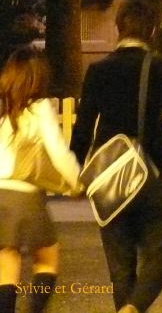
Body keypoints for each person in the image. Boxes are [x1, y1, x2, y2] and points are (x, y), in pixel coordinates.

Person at [70, 0, 162, 313]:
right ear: (150, 30)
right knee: (158, 253)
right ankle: (133, 308)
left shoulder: (98, 70)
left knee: (120, 265)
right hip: (148, 170)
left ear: (118, 28)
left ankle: (125, 305)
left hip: (109, 173)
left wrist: (77, 172)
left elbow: (82, 128)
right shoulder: (159, 65)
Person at [0, 48, 80, 313]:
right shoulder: (39, 107)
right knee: (47, 258)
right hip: (24, 194)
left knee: (6, 263)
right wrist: (76, 182)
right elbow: (58, 152)